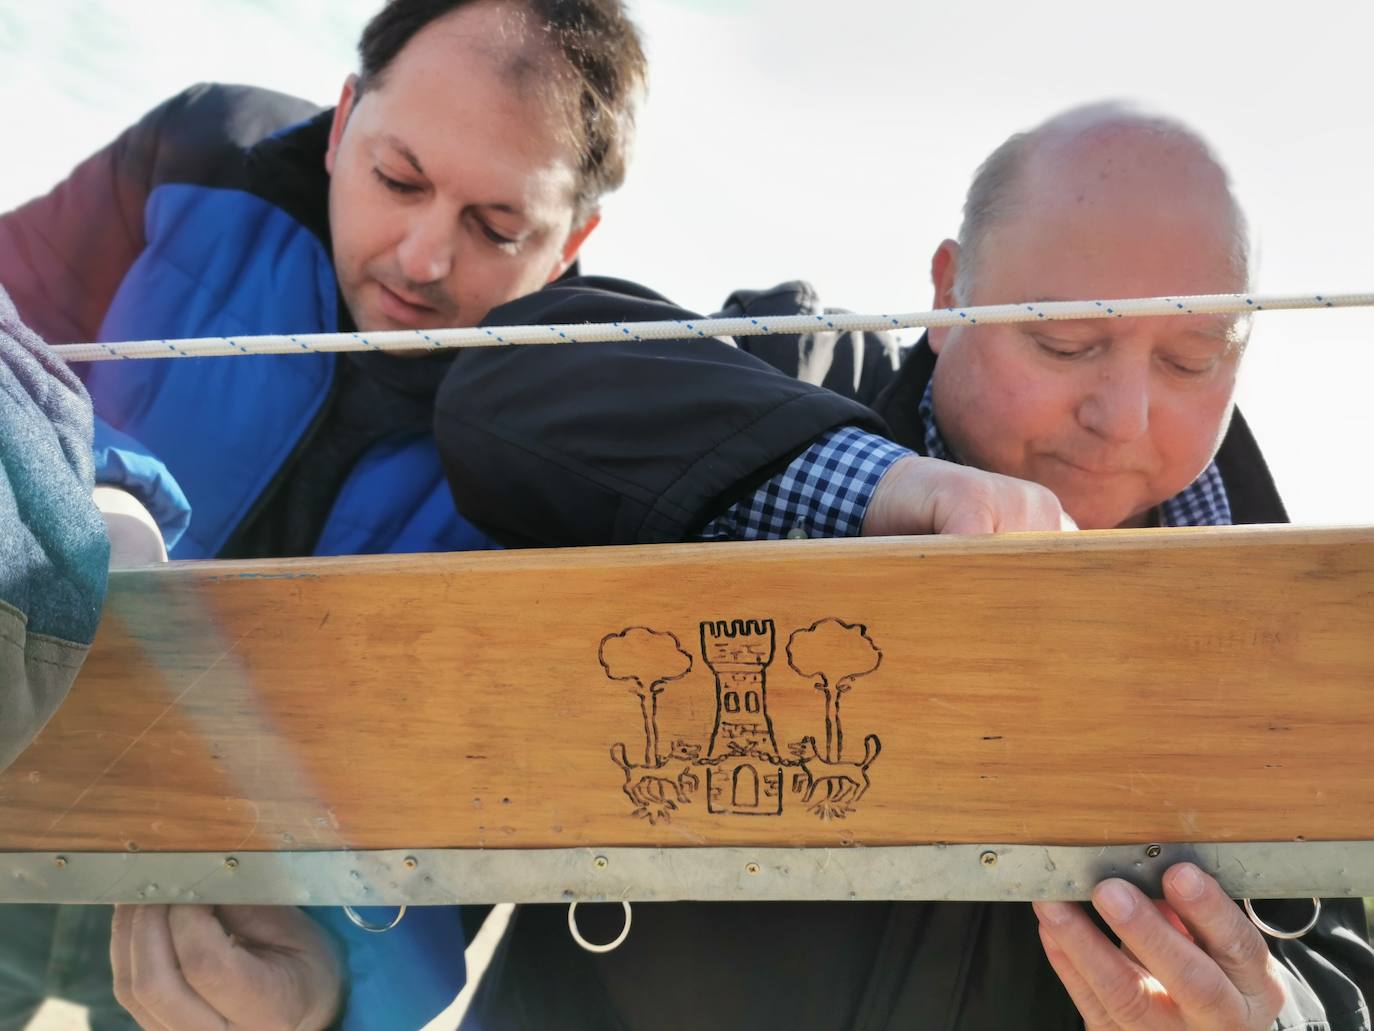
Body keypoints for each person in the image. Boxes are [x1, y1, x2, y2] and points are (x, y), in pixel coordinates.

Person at [432, 105, 1374, 1028]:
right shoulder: (801, 370)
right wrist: (876, 488)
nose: (1122, 415)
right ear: (948, 292)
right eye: (1065, 341)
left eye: (1193, 358)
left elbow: (1337, 961)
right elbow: (507, 380)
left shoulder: (1293, 629)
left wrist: (1281, 1017)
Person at [0, 1, 647, 1028]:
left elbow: (463, 823)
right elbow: (8, 344)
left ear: (573, 244)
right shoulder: (199, 152)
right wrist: (103, 492)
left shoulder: (583, 438)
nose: (425, 258)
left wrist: (332, 991)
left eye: (496, 227)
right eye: (399, 179)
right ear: (344, 120)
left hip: (235, 930)